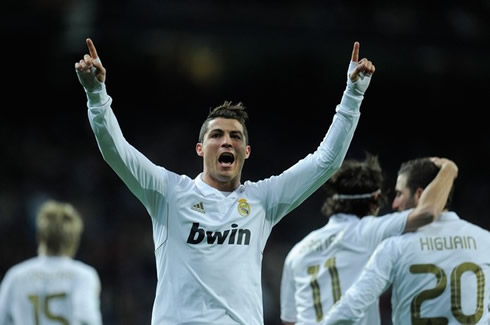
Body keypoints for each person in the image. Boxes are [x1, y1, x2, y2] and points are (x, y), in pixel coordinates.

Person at [74, 37, 375, 325]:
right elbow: (117, 153)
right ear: (200, 148)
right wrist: (96, 96)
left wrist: (353, 94)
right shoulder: (170, 193)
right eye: (216, 135)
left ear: (246, 151)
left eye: (235, 136)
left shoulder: (262, 201)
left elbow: (325, 161)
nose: (226, 141)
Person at [279, 154, 458, 325]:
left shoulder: (297, 252)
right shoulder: (369, 231)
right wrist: (449, 169)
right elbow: (427, 213)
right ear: (375, 202)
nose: (394, 205)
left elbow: (290, 319)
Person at [321, 157, 490, 324]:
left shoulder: (395, 247)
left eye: (399, 193)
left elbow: (350, 308)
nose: (394, 204)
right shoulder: (485, 241)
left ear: (419, 195)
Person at [0, 199, 103, 324]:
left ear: (40, 236)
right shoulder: (83, 276)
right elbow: (88, 319)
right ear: (74, 239)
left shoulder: (16, 276)